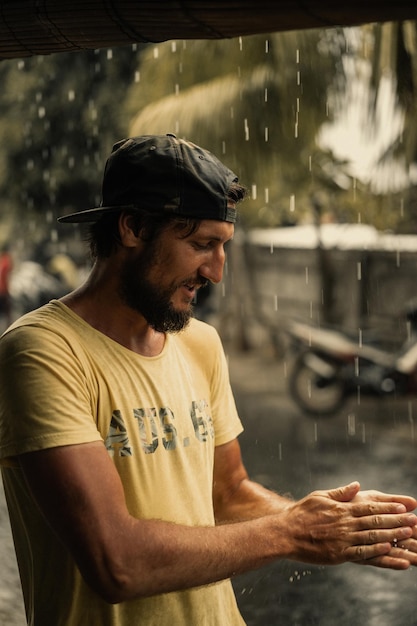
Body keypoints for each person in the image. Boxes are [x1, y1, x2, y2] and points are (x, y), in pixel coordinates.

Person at [0, 134, 417, 626]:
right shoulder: (43, 352)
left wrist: (332, 523)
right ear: (132, 227)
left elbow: (228, 494)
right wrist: (294, 534)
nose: (217, 271)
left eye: (224, 246)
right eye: (201, 244)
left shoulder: (200, 343)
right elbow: (117, 563)